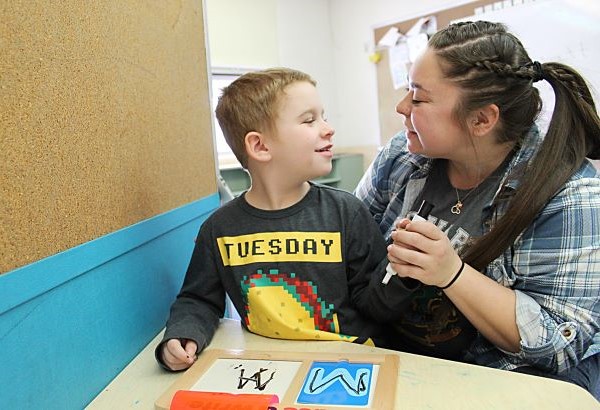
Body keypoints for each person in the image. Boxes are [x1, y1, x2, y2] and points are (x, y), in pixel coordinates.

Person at [355, 21, 600, 397]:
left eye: (418, 98)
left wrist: (451, 272)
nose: (402, 107)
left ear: (482, 119)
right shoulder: (402, 157)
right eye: (408, 90)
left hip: (507, 375)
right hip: (403, 357)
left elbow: (558, 344)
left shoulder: (570, 193)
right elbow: (353, 245)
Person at [156, 68, 397, 371]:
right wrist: (182, 335)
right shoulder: (219, 229)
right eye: (309, 120)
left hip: (349, 364)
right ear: (260, 146)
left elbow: (374, 303)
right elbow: (198, 299)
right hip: (270, 368)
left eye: (323, 116)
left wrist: (402, 274)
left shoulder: (347, 213)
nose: (328, 128)